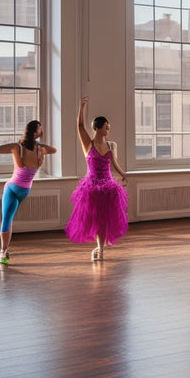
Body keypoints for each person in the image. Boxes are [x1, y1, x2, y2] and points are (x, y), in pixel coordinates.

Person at [65, 95, 128, 261]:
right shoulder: (88, 144)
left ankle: (100, 249)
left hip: (109, 186)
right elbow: (79, 125)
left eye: (109, 127)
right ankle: (99, 249)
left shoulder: (111, 145)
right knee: (96, 220)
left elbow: (114, 162)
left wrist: (123, 175)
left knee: (104, 221)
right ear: (98, 128)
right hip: (92, 186)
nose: (109, 129)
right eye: (107, 127)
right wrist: (81, 107)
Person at [0, 120, 57, 264]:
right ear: (37, 131)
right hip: (25, 190)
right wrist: (41, 146)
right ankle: (4, 252)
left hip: (12, 188)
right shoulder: (41, 150)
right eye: (40, 129)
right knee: (8, 219)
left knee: (7, 220)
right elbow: (54, 150)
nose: (42, 131)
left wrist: (38, 145)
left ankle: (2, 252)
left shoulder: (17, 147)